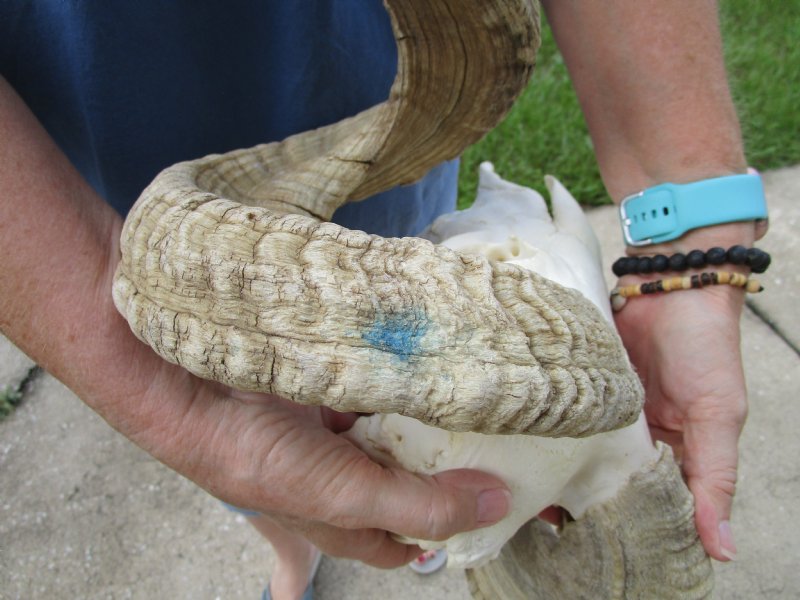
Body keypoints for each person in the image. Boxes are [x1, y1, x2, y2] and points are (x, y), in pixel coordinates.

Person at [0, 1, 760, 598]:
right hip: (80, 154)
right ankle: (290, 547)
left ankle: (374, 511)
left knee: (417, 239)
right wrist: (176, 407)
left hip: (387, 107)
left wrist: (690, 244)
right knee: (260, 477)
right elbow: (146, 315)